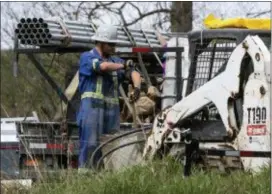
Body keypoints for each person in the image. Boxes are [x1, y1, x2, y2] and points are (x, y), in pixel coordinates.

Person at [76, 24, 142, 173]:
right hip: (91, 110)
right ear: (101, 42)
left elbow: (134, 71)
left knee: (112, 145)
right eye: (111, 44)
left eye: (114, 44)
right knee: (90, 144)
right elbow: (102, 67)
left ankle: (107, 178)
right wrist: (123, 65)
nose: (113, 47)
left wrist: (137, 87)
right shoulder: (87, 57)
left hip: (111, 113)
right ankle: (85, 178)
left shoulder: (116, 61)